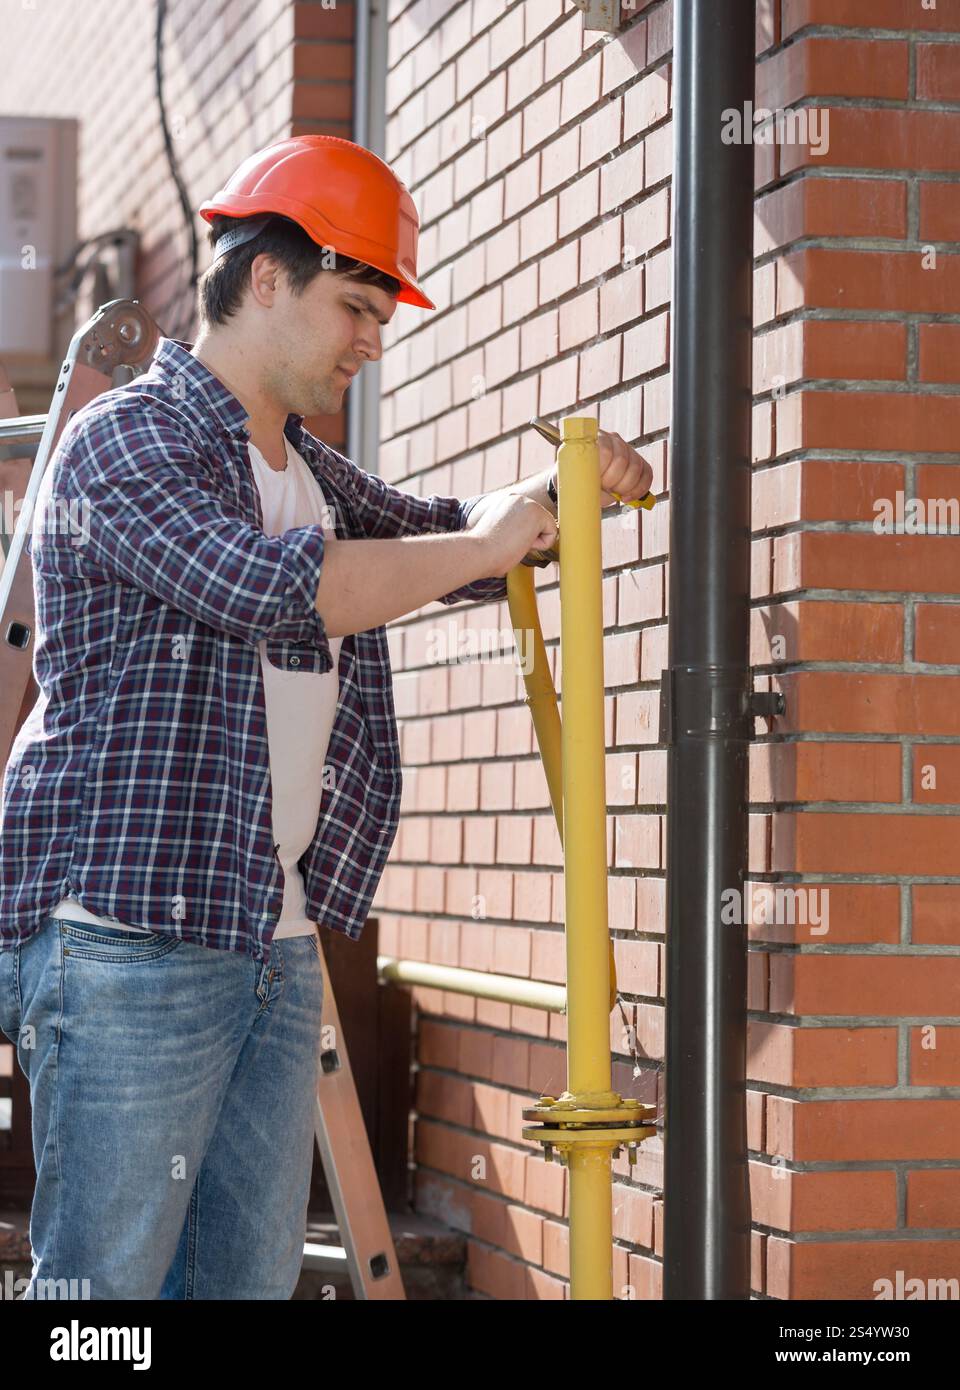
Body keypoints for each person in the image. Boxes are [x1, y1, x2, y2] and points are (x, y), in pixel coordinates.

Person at [0, 135, 653, 1299]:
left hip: (271, 940)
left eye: (381, 316)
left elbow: (444, 540)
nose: (372, 339)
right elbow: (271, 586)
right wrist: (485, 541)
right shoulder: (125, 439)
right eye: (356, 306)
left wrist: (557, 497)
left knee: (242, 1285)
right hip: (127, 942)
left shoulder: (305, 468)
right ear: (264, 278)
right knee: (103, 1296)